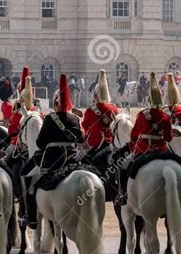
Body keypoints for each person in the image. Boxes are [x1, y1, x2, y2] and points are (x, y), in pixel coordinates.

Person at [20, 73, 84, 229]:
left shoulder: (50, 118)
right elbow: (81, 139)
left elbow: (40, 142)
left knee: (26, 175)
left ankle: (31, 217)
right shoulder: (74, 118)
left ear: (55, 104)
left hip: (52, 159)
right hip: (72, 158)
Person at [118, 73, 172, 205]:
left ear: (149, 100)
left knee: (125, 167)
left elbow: (134, 136)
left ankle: (124, 195)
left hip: (143, 150)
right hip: (161, 150)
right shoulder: (166, 116)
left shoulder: (142, 115)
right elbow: (168, 138)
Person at [81, 69, 118, 153]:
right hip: (110, 143)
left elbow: (84, 128)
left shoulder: (91, 109)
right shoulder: (114, 108)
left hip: (94, 143)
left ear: (95, 94)